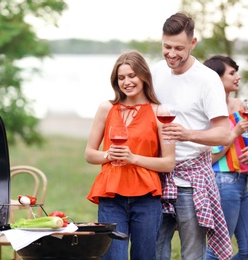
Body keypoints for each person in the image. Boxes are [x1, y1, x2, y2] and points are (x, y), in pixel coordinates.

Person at [152, 12, 233, 260]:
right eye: (167, 47)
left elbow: (223, 133)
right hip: (156, 178)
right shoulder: (155, 72)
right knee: (153, 252)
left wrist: (187, 134)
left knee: (192, 255)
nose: (171, 53)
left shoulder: (207, 79)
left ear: (193, 43)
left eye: (179, 48)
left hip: (191, 182)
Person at [85, 50, 176, 260]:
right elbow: (89, 154)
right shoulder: (106, 108)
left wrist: (133, 158)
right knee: (113, 257)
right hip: (112, 197)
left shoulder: (159, 112)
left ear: (144, 76)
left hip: (146, 200)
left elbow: (168, 163)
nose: (127, 82)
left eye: (132, 75)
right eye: (121, 77)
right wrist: (108, 155)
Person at [203, 55, 248, 259]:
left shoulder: (240, 104)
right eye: (231, 73)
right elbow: (209, 158)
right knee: (218, 249)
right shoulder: (209, 111)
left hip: (243, 182)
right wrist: (234, 133)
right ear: (216, 79)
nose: (237, 77)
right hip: (223, 182)